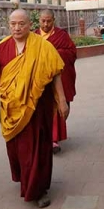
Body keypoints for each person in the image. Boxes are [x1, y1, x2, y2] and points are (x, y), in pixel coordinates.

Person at [0, 9, 69, 208]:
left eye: (21, 23)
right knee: (18, 149)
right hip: (11, 107)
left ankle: (38, 189)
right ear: (8, 25)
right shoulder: (2, 47)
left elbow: (55, 74)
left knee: (38, 147)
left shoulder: (43, 46)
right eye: (13, 24)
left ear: (30, 24)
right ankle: (26, 180)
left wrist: (62, 100)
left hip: (37, 107)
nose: (17, 27)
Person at [35, 9, 77, 154]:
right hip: (39, 80)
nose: (46, 24)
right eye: (43, 21)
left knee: (58, 104)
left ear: (54, 21)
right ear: (39, 21)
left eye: (49, 21)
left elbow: (72, 53)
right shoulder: (33, 36)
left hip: (58, 77)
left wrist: (53, 54)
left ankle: (53, 138)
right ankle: (43, 137)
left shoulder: (61, 36)